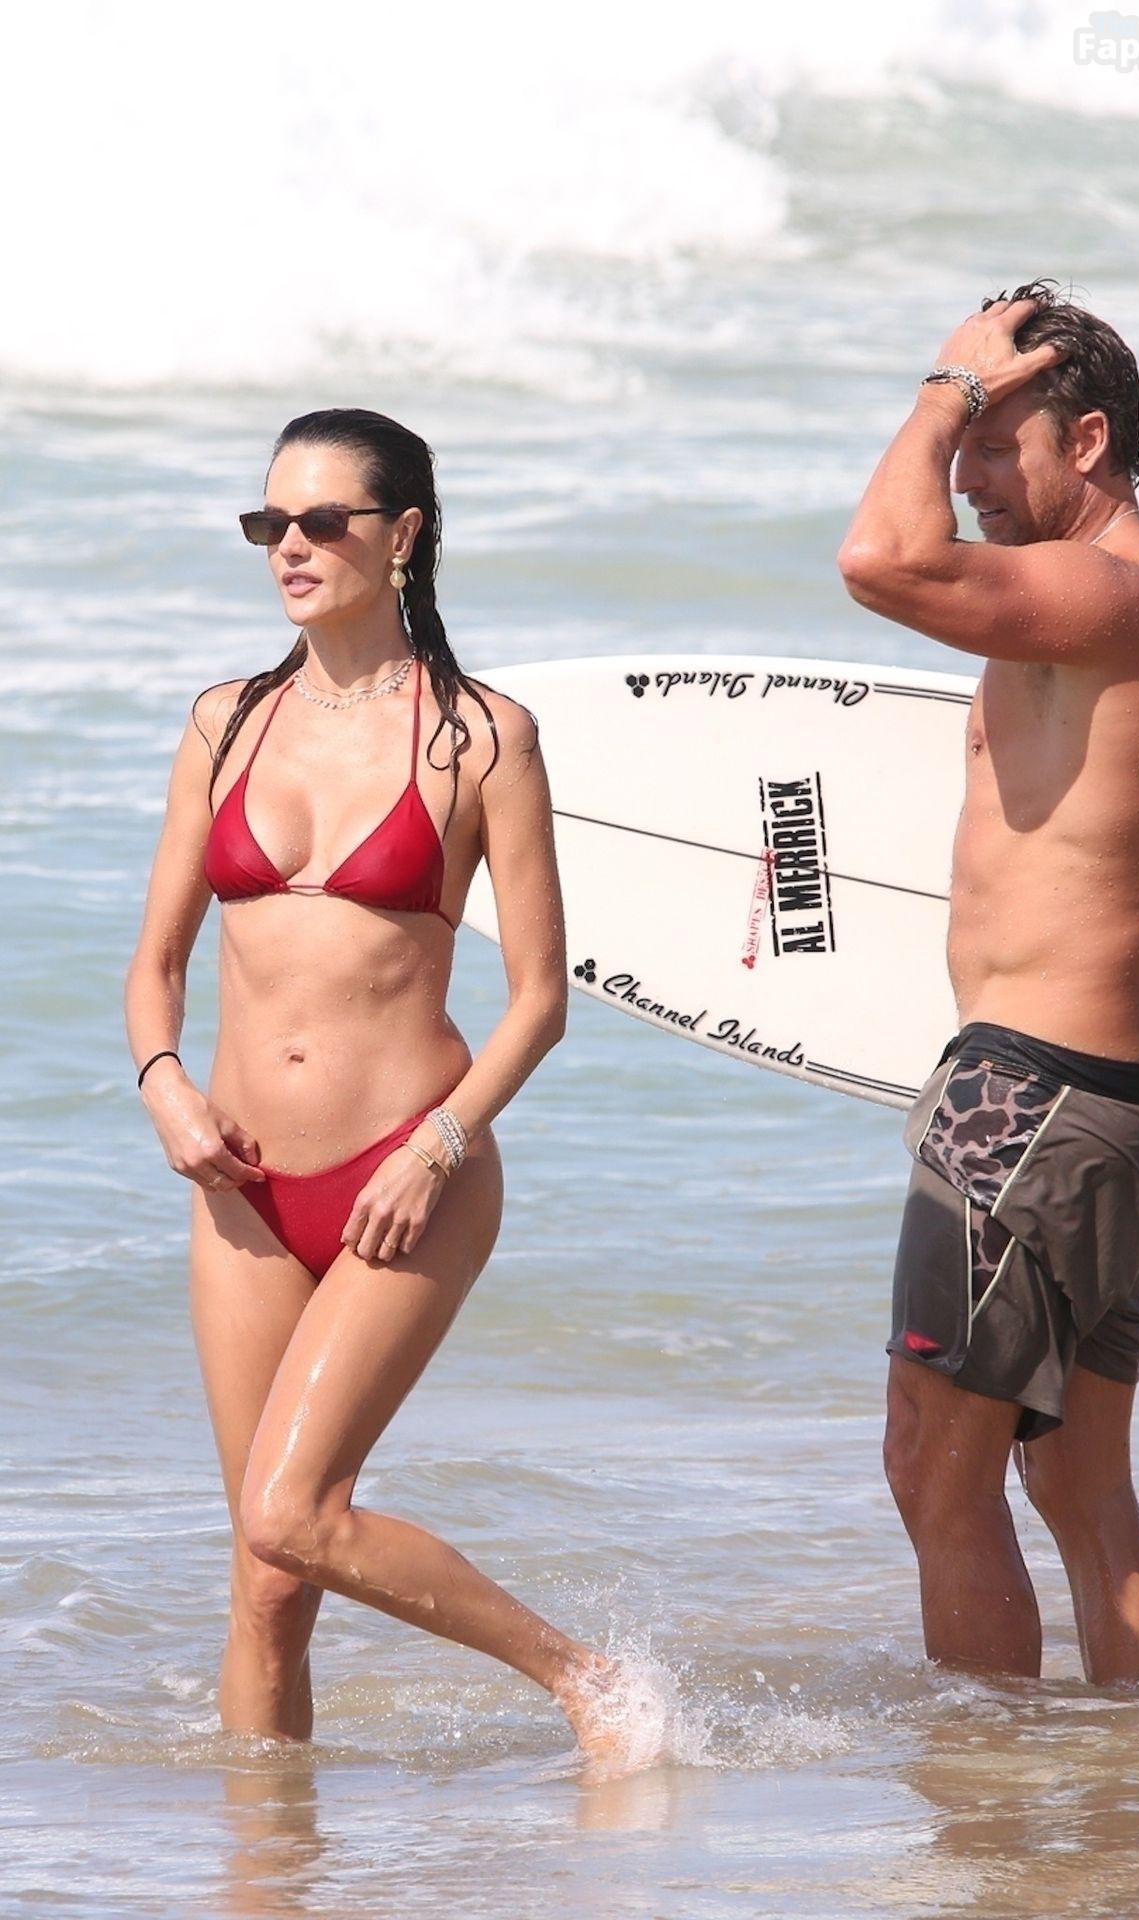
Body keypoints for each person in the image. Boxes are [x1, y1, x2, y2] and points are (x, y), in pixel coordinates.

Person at [125, 407, 659, 1770]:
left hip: (406, 1174)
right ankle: (268, 1863)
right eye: (269, 524)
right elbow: (157, 965)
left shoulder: (481, 738)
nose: (290, 547)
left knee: (290, 1512)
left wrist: (438, 1146)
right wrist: (164, 1084)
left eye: (323, 522)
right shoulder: (226, 722)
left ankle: (584, 1678)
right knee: (266, 1582)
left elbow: (538, 998)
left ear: (403, 534)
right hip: (240, 1192)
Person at [836, 281, 1139, 1688]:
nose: (965, 475)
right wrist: (964, 407)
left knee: (934, 1471)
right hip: (1138, 1098)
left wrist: (939, 387)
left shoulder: (1103, 592)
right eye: (962, 445)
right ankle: (1122, 1790)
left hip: (1033, 1102)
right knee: (1076, 1480)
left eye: (992, 443)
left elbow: (879, 562)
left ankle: (991, 1806)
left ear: (1086, 442)